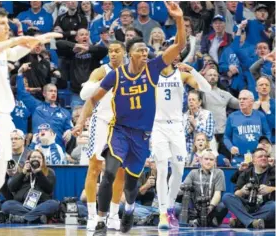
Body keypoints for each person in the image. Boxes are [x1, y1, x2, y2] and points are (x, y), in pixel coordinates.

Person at [73, 2, 186, 235]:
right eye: (140, 50)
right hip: (120, 131)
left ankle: (130, 209)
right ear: (130, 53)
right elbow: (92, 99)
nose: (145, 53)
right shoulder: (116, 75)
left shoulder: (153, 68)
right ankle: (101, 221)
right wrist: (80, 121)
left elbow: (180, 45)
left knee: (132, 184)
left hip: (142, 135)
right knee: (110, 172)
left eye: (146, 50)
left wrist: (179, 19)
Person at [0, 7, 61, 214]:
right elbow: (9, 46)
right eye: (2, 24)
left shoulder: (3, 51)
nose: (7, 28)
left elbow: (17, 50)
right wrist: (18, 40)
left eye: (8, 23)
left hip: (3, 118)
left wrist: (39, 39)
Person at [152, 62, 211, 229]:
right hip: (158, 126)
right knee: (162, 170)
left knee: (178, 169)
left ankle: (170, 206)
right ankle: (163, 213)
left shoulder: (182, 75)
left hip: (177, 126)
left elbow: (206, 88)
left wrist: (192, 69)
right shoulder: (151, 75)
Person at [79, 41, 126, 231]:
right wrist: (104, 82)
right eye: (110, 51)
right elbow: (85, 95)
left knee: (120, 171)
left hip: (122, 126)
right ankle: (92, 215)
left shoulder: (133, 72)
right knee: (94, 168)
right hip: (100, 123)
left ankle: (113, 215)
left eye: (116, 51)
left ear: (125, 53)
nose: (113, 54)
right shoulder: (101, 71)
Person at [1, 150, 59, 224]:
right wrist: (23, 172)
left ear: (43, 161)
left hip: (40, 205)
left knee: (53, 204)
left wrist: (39, 172)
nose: (36, 159)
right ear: (28, 160)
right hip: (21, 205)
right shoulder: (22, 172)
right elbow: (12, 187)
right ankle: (36, 218)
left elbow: (49, 189)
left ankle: (23, 218)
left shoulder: (49, 172)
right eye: (33, 157)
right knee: (6, 205)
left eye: (39, 157)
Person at [222, 148, 275, 229]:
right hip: (247, 206)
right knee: (227, 197)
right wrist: (242, 191)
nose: (264, 158)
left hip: (265, 206)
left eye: (266, 156)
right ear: (253, 161)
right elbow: (236, 193)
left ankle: (241, 222)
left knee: (274, 206)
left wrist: (271, 189)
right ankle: (251, 221)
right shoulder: (246, 173)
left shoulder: (273, 171)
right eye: (260, 156)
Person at [223, 90, 271, 167]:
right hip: (239, 158)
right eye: (240, 99)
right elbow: (226, 137)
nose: (241, 101)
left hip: (258, 157)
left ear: (251, 101)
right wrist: (230, 147)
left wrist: (264, 144)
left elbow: (267, 133)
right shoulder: (232, 116)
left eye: (244, 99)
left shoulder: (260, 115)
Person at [183, 149, 228, 227]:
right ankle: (197, 220)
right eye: (206, 159)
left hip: (211, 208)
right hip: (196, 208)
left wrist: (210, 207)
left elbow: (218, 194)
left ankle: (207, 221)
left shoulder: (219, 173)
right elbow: (184, 188)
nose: (208, 162)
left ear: (215, 161)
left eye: (211, 159)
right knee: (177, 208)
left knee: (223, 206)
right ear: (200, 160)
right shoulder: (193, 173)